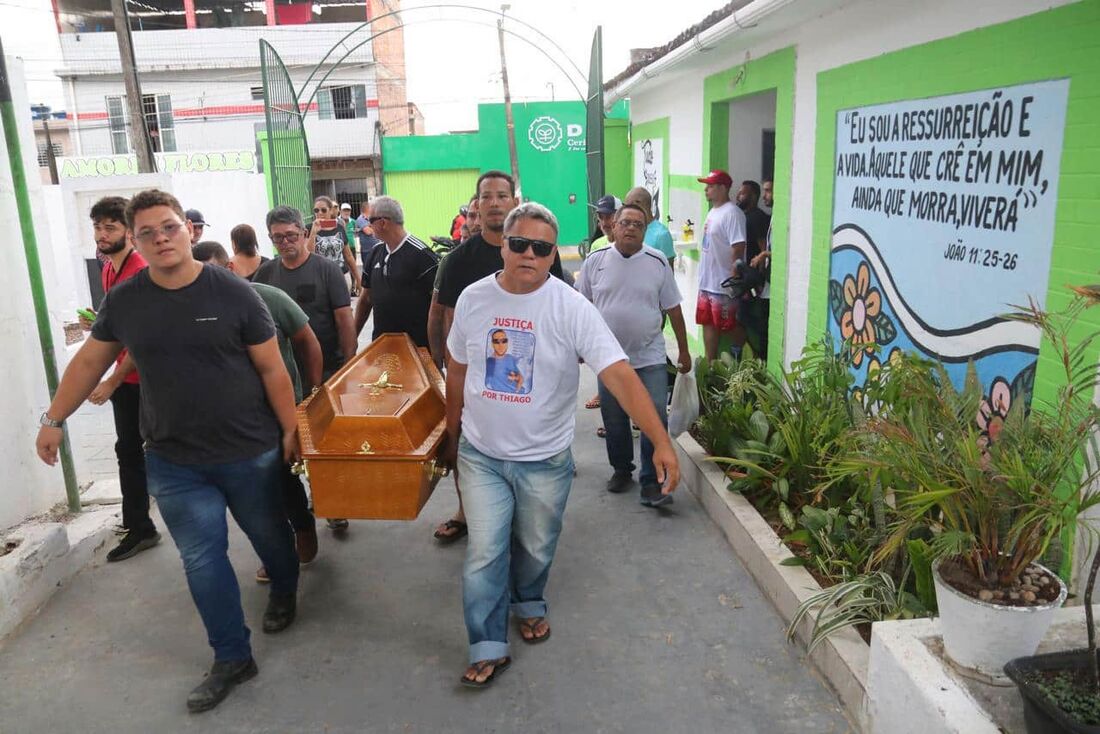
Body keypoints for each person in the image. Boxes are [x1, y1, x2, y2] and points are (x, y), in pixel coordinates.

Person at [35, 189, 300, 713]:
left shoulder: (234, 293)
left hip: (248, 451)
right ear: (134, 240)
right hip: (173, 458)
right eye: (147, 233)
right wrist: (53, 418)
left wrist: (290, 431)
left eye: (169, 227)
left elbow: (272, 368)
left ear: (189, 230)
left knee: (270, 537)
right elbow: (90, 361)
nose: (160, 239)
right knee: (202, 558)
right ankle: (232, 656)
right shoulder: (127, 299)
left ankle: (286, 589)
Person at [443, 201, 681, 688]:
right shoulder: (472, 299)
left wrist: (660, 439)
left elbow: (616, 372)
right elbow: (458, 371)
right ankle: (487, 642)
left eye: (542, 247)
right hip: (481, 454)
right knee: (485, 551)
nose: (529, 253)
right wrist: (452, 435)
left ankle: (528, 600)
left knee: (533, 546)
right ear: (502, 246)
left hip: (544, 459)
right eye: (518, 244)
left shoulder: (571, 307)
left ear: (554, 256)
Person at [432, 170, 566, 544]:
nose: (493, 202)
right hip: (473, 376)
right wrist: (441, 364)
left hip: (527, 374)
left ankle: (524, 516)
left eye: (502, 195)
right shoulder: (458, 261)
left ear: (514, 202)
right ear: (476, 204)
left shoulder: (538, 251)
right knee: (463, 440)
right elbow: (442, 315)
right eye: (486, 196)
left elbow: (555, 304)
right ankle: (466, 511)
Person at [193, 241, 324, 579]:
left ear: (231, 268)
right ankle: (277, 551)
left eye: (215, 273)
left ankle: (304, 528)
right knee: (253, 491)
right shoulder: (191, 312)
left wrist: (312, 392)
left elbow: (308, 342)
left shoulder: (268, 298)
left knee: (284, 479)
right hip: (232, 419)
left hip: (279, 410)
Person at [576, 203, 692, 507]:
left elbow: (673, 308)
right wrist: (576, 347)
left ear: (644, 230)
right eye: (624, 222)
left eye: (637, 224)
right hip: (608, 359)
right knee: (614, 420)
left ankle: (651, 483)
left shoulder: (656, 261)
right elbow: (579, 306)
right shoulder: (595, 260)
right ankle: (621, 470)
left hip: (650, 355)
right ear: (614, 226)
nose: (630, 228)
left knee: (653, 416)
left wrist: (683, 349)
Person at [255, 205, 358, 533]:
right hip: (282, 376)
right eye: (277, 238)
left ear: (304, 234)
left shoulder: (326, 270)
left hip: (327, 369)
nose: (285, 242)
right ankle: (304, 504)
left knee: (325, 442)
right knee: (293, 442)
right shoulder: (266, 275)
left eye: (291, 236)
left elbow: (344, 318)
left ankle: (333, 503)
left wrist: (349, 363)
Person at [79, 196, 160, 562]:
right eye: (98, 227)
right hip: (127, 378)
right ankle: (139, 525)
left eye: (110, 227)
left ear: (128, 231)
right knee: (129, 450)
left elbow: (140, 338)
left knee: (144, 450)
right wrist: (97, 321)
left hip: (144, 378)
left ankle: (143, 525)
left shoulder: (139, 270)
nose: (101, 234)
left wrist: (112, 381)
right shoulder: (110, 267)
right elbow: (118, 325)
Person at [353, 195, 439, 346]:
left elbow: (439, 309)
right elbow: (366, 299)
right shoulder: (375, 253)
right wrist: (352, 340)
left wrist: (438, 354)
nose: (368, 224)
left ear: (383, 222)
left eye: (370, 220)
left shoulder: (422, 256)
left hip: (417, 351)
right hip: (382, 350)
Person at [696, 170, 748, 362]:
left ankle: (752, 356)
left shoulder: (732, 213)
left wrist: (733, 276)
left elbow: (738, 246)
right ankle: (710, 364)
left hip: (723, 282)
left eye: (710, 186)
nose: (706, 190)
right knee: (707, 322)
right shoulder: (713, 211)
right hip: (706, 281)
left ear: (723, 188)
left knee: (729, 324)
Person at [308, 196, 361, 296]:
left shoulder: (339, 227)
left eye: (323, 210)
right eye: (316, 210)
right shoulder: (309, 228)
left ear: (330, 211)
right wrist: (313, 233)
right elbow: (308, 255)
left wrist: (358, 279)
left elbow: (348, 256)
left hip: (340, 276)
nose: (319, 213)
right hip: (319, 278)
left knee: (343, 308)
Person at [623, 187, 677, 267]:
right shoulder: (626, 229)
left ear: (638, 204)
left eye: (627, 206)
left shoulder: (661, 235)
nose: (625, 211)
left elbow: (669, 273)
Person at [356, 200, 382, 265]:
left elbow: (380, 227)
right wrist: (375, 227)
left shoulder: (370, 218)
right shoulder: (361, 219)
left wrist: (371, 226)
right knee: (368, 269)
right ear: (367, 209)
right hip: (367, 251)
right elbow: (368, 232)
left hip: (376, 248)